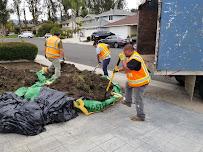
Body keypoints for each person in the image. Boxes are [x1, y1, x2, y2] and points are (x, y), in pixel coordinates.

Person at [116, 44, 151, 121]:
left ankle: (140, 116)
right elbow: (128, 66)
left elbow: (127, 68)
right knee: (128, 84)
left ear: (129, 51)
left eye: (124, 52)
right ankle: (128, 101)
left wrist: (122, 60)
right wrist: (118, 70)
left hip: (141, 82)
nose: (124, 54)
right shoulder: (131, 56)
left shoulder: (135, 59)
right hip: (134, 81)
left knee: (138, 99)